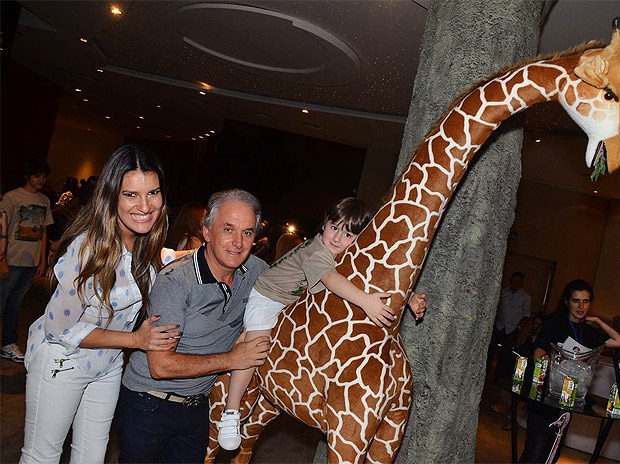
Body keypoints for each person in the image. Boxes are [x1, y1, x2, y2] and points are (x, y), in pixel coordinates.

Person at [217, 197, 428, 450]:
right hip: (268, 297)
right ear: (324, 224)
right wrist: (366, 302)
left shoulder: (346, 255)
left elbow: (371, 279)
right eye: (334, 227)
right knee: (254, 349)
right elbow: (330, 279)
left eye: (348, 234)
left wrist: (409, 297)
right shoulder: (319, 252)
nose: (337, 238)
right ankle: (230, 413)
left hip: (292, 301)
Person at [20, 145, 182, 464]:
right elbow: (59, 328)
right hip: (63, 361)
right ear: (111, 197)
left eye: (153, 192)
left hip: (106, 365)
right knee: (42, 457)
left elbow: (165, 257)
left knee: (91, 457)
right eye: (131, 195)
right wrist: (136, 340)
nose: (145, 205)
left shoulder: (144, 247)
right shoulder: (87, 249)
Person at [115, 189, 273, 463]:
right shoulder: (176, 282)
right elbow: (161, 366)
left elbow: (299, 282)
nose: (238, 242)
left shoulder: (256, 271)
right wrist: (233, 359)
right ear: (208, 232)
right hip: (148, 405)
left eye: (247, 232)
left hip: (197, 407)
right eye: (228, 229)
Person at [519, 279, 620, 463]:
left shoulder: (587, 331)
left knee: (552, 452)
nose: (581, 306)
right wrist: (544, 369)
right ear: (567, 301)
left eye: (585, 301)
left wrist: (598, 321)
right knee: (535, 451)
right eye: (576, 300)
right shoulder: (555, 321)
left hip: (567, 396)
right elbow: (539, 351)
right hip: (546, 395)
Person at [0, 158, 54, 363]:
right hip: (11, 259)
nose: (41, 180)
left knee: (15, 305)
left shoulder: (44, 201)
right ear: (27, 176)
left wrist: (41, 262)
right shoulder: (12, 197)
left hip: (30, 263)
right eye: (37, 175)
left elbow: (43, 232)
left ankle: (7, 344)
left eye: (44, 176)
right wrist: (2, 261)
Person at [487, 272, 531, 380]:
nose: (515, 283)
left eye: (517, 281)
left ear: (521, 283)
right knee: (491, 349)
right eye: (513, 280)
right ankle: (485, 371)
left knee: (505, 354)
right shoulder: (503, 292)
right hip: (499, 325)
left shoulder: (525, 297)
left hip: (512, 328)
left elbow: (527, 315)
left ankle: (498, 377)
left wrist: (519, 328)